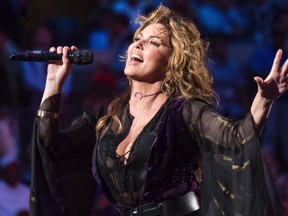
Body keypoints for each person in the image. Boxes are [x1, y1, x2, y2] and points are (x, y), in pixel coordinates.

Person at [29, 5, 287, 216]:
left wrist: (264, 99)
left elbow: (236, 139)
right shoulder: (107, 119)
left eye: (153, 42)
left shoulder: (184, 111)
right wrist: (53, 82)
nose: (138, 46)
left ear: (172, 60)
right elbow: (50, 147)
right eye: (137, 39)